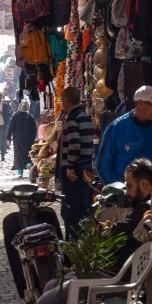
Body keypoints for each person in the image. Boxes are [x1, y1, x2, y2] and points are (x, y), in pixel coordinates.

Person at [95, 85, 152, 185]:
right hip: (125, 194)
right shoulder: (117, 128)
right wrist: (118, 190)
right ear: (140, 105)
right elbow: (103, 165)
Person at [58, 87, 95, 239]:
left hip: (76, 170)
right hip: (86, 166)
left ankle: (72, 246)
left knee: (71, 209)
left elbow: (74, 145)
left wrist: (69, 167)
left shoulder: (72, 119)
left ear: (66, 100)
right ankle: (83, 243)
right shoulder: (85, 117)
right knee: (83, 207)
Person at [110, 158, 152, 273]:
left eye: (129, 186)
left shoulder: (146, 210)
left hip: (123, 280)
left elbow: (115, 231)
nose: (126, 192)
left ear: (143, 184)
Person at [7, 98, 38, 177]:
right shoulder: (30, 116)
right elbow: (34, 129)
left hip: (18, 140)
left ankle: (20, 173)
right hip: (28, 140)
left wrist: (8, 138)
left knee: (18, 155)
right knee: (27, 154)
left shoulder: (15, 116)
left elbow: (11, 128)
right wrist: (33, 139)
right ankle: (28, 166)